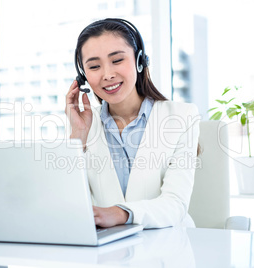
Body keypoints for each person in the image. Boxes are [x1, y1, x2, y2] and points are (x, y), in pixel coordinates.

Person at [65, 18, 200, 229]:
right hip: (109, 253)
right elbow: (67, 205)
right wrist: (78, 136)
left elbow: (176, 204)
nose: (107, 74)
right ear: (83, 76)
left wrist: (121, 214)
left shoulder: (182, 117)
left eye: (117, 60)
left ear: (139, 61)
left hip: (169, 246)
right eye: (94, 66)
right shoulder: (84, 125)